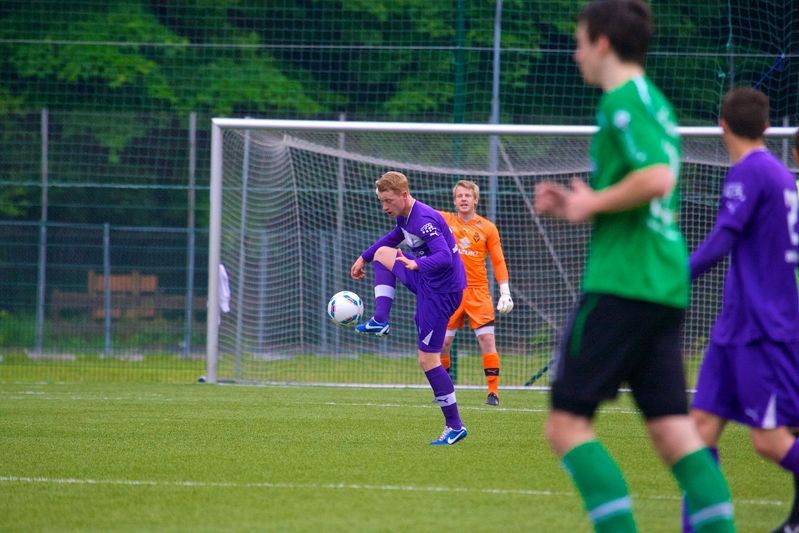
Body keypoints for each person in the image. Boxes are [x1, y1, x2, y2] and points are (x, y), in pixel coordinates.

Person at [533, 1, 736, 531]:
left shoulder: (622, 101)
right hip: (661, 283)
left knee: (566, 427)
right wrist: (580, 205)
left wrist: (591, 204)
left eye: (580, 42)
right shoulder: (655, 101)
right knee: (674, 433)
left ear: (602, 43)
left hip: (623, 282)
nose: (576, 54)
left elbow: (657, 178)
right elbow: (647, 186)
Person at [687, 87, 799, 533]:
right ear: (767, 126)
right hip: (734, 326)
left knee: (770, 442)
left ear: (723, 126)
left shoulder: (750, 172)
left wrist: (674, 278)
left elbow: (722, 240)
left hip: (761, 327)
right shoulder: (780, 175)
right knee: (699, 432)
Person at [351, 171, 469, 445]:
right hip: (428, 282)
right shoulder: (405, 216)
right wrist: (363, 257)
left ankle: (455, 426)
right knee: (382, 254)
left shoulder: (423, 220)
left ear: (404, 195)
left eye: (388, 200)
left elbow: (444, 257)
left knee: (428, 359)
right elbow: (394, 236)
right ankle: (380, 320)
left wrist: (417, 263)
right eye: (381, 201)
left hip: (441, 293)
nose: (384, 206)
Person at [438, 180, 513, 406]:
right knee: (443, 343)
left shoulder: (488, 228)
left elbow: (498, 261)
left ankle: (493, 393)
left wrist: (505, 291)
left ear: (476, 200)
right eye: (459, 196)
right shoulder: (444, 221)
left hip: (478, 292)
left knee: (487, 340)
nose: (463, 199)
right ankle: (444, 391)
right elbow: (415, 210)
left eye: (467, 195)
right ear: (454, 201)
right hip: (451, 291)